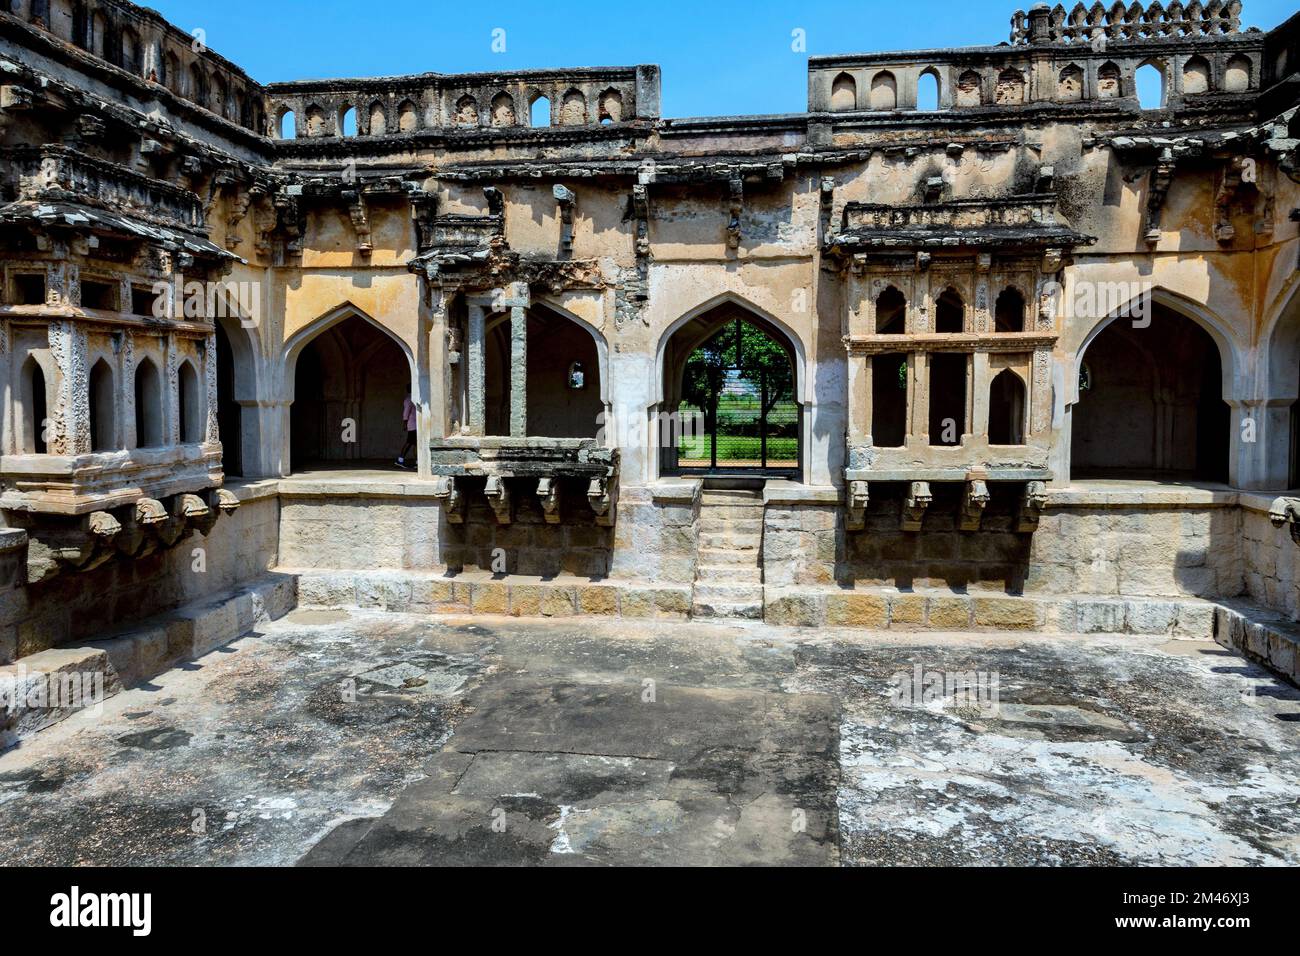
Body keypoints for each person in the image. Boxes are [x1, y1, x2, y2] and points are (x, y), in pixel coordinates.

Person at [396, 390, 417, 469]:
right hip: (413, 425)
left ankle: (401, 460)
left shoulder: (412, 398)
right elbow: (406, 413)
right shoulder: (409, 399)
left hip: (414, 425)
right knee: (411, 443)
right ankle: (401, 460)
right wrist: (405, 423)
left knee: (412, 443)